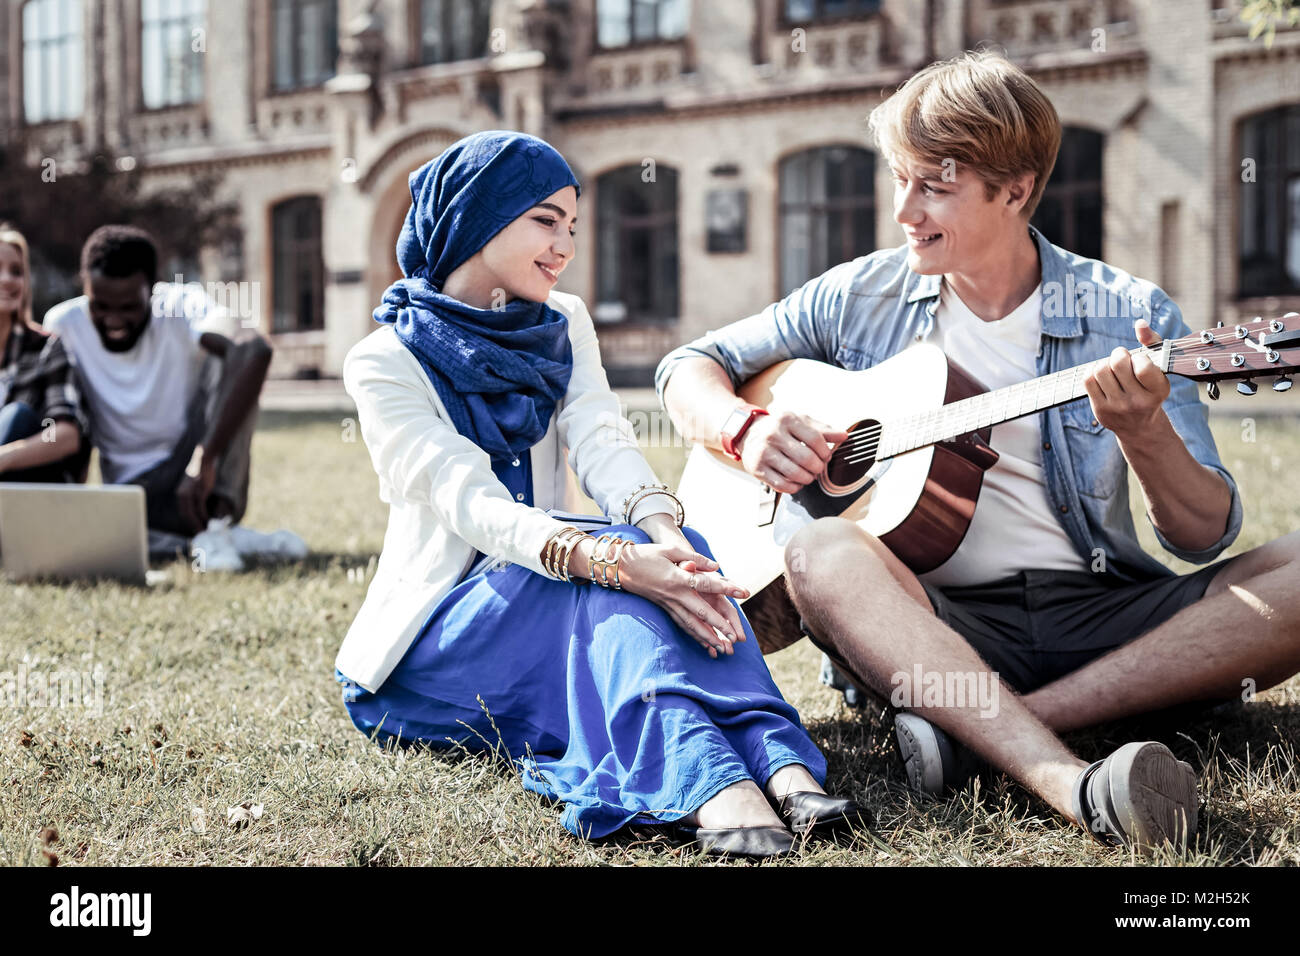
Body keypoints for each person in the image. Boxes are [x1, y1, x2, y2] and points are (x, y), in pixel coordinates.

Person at [656, 51, 1300, 852]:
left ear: (1017, 190)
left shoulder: (1128, 312)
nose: (903, 209)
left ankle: (979, 732)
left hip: (1104, 614)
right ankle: (1071, 782)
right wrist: (746, 431)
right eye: (900, 177)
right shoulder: (860, 295)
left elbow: (1203, 535)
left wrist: (1146, 432)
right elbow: (688, 367)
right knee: (820, 549)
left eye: (934, 184)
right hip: (927, 626)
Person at [334, 130, 867, 859]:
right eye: (544, 222)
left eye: (573, 226)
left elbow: (601, 439)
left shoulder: (562, 320)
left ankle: (779, 762)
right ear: (477, 219)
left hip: (545, 591)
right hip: (435, 638)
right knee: (609, 584)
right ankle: (716, 784)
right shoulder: (383, 361)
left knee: (684, 553)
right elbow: (468, 501)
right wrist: (613, 561)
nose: (565, 247)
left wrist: (666, 536)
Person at [43, 226, 276, 566]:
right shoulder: (63, 323)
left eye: (128, 307)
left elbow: (255, 350)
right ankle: (213, 540)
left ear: (152, 290)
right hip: (129, 494)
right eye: (101, 306)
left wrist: (205, 457)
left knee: (233, 361)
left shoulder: (181, 304)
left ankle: (216, 526)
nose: (114, 321)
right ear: (84, 286)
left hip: (193, 477)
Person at [0, 223, 88, 482]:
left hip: (28, 485)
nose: (7, 279)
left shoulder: (47, 348)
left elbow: (67, 435)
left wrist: (5, 456)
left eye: (16, 271)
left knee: (18, 415)